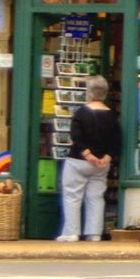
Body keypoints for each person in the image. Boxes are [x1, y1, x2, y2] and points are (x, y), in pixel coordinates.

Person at [58, 76, 120, 242]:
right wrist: (106, 157)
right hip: (101, 165)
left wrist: (88, 155)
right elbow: (116, 139)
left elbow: (76, 137)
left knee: (72, 196)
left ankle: (72, 232)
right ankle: (94, 233)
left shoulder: (81, 113)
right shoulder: (111, 116)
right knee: (96, 197)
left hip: (78, 162)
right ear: (105, 94)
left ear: (89, 93)